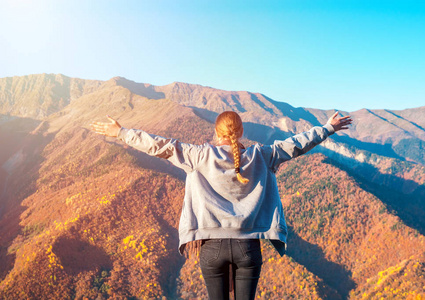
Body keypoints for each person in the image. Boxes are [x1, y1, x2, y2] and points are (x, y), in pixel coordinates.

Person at [90, 110, 352, 300]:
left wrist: (122, 133)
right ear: (240, 133)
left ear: (216, 133)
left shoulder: (198, 156)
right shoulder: (262, 155)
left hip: (211, 249)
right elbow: (296, 144)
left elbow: (159, 146)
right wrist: (328, 127)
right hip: (248, 247)